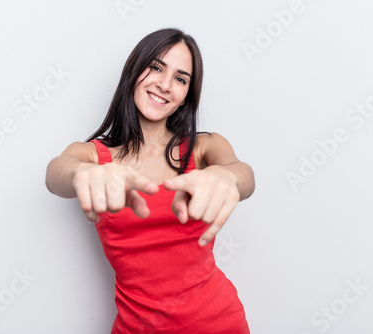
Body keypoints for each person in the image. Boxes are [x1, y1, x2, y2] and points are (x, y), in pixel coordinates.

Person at [46, 28, 255, 333]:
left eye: (181, 79)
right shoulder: (94, 155)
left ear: (186, 97)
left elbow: (243, 174)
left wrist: (226, 175)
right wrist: (84, 173)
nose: (165, 85)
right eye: (156, 67)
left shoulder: (203, 146)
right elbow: (57, 173)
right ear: (134, 72)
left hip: (219, 322)